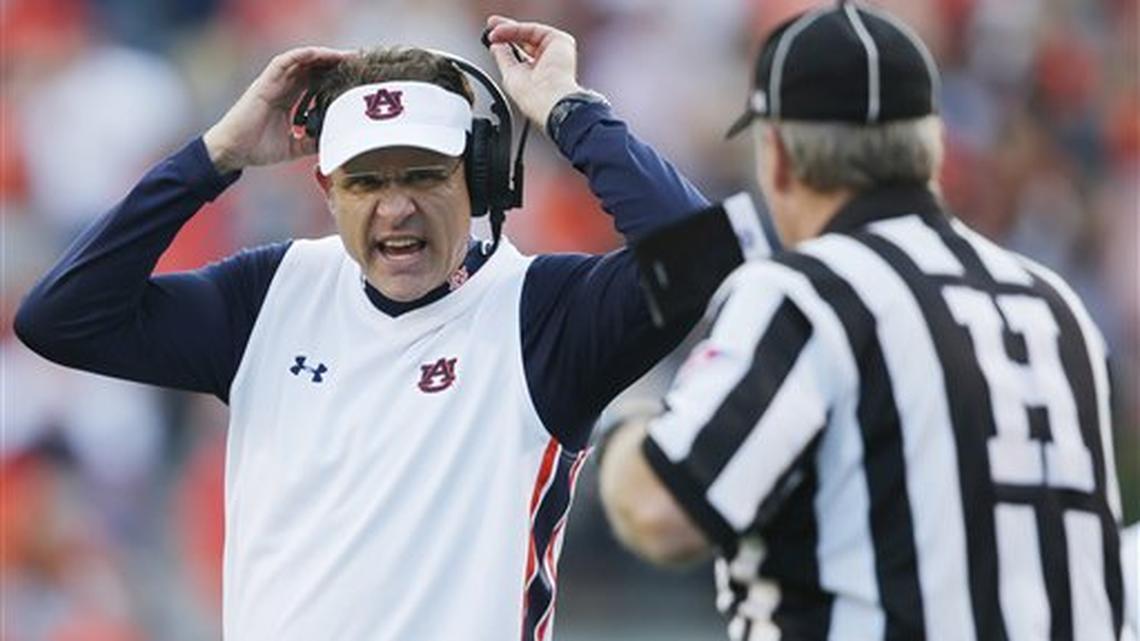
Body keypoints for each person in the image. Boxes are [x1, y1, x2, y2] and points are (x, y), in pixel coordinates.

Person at [14, 15, 715, 641]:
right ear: (326, 190)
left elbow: (701, 257)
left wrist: (569, 111)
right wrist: (217, 154)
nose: (396, 208)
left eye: (423, 175)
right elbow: (62, 317)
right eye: (365, 181)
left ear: (478, 178)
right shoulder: (269, 293)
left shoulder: (543, 310)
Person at [597, 2, 1131, 640]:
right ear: (929, 150)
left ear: (780, 157)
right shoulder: (1054, 305)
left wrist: (631, 424)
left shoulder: (805, 293)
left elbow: (661, 510)